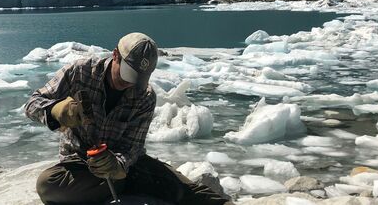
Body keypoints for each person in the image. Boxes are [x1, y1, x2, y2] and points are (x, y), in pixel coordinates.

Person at [24, 33, 229, 205]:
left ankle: (122, 183)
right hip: (79, 163)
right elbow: (32, 104)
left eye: (137, 79)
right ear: (115, 55)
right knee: (47, 185)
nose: (130, 84)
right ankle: (125, 185)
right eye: (127, 75)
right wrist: (54, 110)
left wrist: (118, 165)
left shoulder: (145, 96)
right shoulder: (80, 72)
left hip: (126, 166)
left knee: (184, 190)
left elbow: (132, 146)